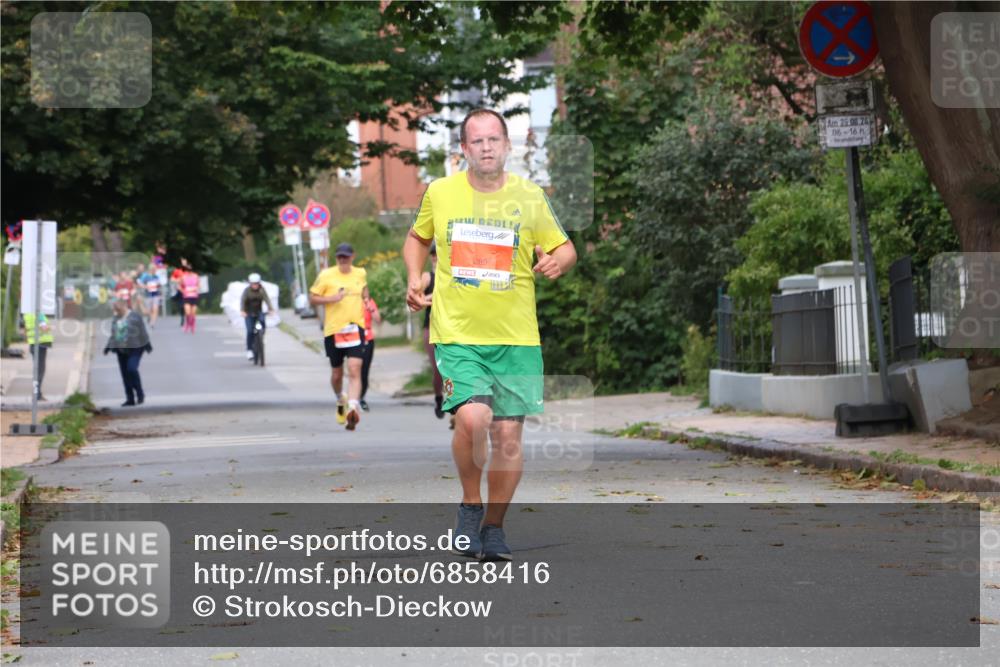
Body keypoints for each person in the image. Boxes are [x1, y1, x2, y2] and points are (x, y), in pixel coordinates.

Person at [403, 108, 577, 562]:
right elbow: (417, 239)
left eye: (493, 139)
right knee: (473, 419)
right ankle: (469, 505)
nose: (485, 147)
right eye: (476, 140)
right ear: (463, 148)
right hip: (458, 333)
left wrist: (561, 261)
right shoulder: (440, 193)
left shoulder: (529, 195)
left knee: (507, 437)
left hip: (516, 338)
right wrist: (414, 276)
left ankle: (494, 529)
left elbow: (564, 246)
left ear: (506, 145)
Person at [310, 242, 368, 431]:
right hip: (334, 330)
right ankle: (340, 399)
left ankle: (353, 407)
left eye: (346, 257)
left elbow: (365, 291)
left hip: (355, 328)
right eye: (340, 257)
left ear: (353, 257)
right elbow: (313, 298)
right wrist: (331, 299)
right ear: (336, 258)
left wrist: (367, 300)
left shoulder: (360, 273)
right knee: (337, 374)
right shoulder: (326, 275)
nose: (343, 260)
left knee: (354, 368)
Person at [103, 299, 152, 407]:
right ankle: (130, 398)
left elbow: (142, 331)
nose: (116, 312)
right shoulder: (116, 319)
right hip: (121, 350)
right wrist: (108, 347)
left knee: (132, 369)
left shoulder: (134, 317)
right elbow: (113, 334)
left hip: (135, 348)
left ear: (124, 307)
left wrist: (147, 344)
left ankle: (139, 392)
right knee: (125, 375)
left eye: (118, 310)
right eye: (116, 310)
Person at [419, 241, 446, 421]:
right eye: (434, 254)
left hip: (452, 327)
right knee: (438, 369)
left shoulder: (453, 276)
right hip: (432, 327)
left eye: (439, 254)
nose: (436, 258)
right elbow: (416, 301)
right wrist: (433, 297)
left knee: (452, 369)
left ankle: (456, 405)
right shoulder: (427, 277)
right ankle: (438, 397)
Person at [240, 273, 274, 361]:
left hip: (258, 312)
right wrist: (243, 311)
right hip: (249, 313)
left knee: (262, 324)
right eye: (253, 283)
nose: (255, 285)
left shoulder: (262, 290)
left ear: (259, 283)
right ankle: (249, 350)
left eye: (256, 283)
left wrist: (271, 309)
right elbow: (243, 301)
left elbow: (267, 299)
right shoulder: (247, 291)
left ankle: (260, 338)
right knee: (250, 331)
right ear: (250, 283)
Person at [23, 312, 53, 401]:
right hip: (41, 345)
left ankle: (37, 393)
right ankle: (37, 394)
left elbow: (25, 330)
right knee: (40, 371)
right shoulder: (39, 314)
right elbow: (44, 328)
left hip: (33, 344)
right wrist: (50, 327)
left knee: (37, 370)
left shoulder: (27, 315)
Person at [359, 292, 381, 411]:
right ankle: (354, 398)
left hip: (368, 338)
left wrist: (370, 307)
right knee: (355, 369)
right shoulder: (352, 301)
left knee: (365, 370)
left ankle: (361, 397)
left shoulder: (370, 302)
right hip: (354, 337)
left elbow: (378, 319)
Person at [138, 263, 162, 328]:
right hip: (147, 295)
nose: (155, 271)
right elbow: (140, 283)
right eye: (154, 269)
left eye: (155, 269)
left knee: (155, 309)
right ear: (151, 269)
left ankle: (152, 323)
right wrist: (146, 286)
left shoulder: (156, 276)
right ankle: (149, 317)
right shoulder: (145, 276)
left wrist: (158, 284)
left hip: (155, 295)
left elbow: (159, 284)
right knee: (148, 310)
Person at [179, 266, 200, 333]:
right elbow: (179, 286)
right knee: (188, 312)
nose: (189, 271)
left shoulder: (196, 276)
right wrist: (183, 291)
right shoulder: (183, 277)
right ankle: (187, 325)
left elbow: (198, 285)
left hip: (194, 296)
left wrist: (197, 288)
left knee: (193, 313)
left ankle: (192, 325)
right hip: (187, 297)